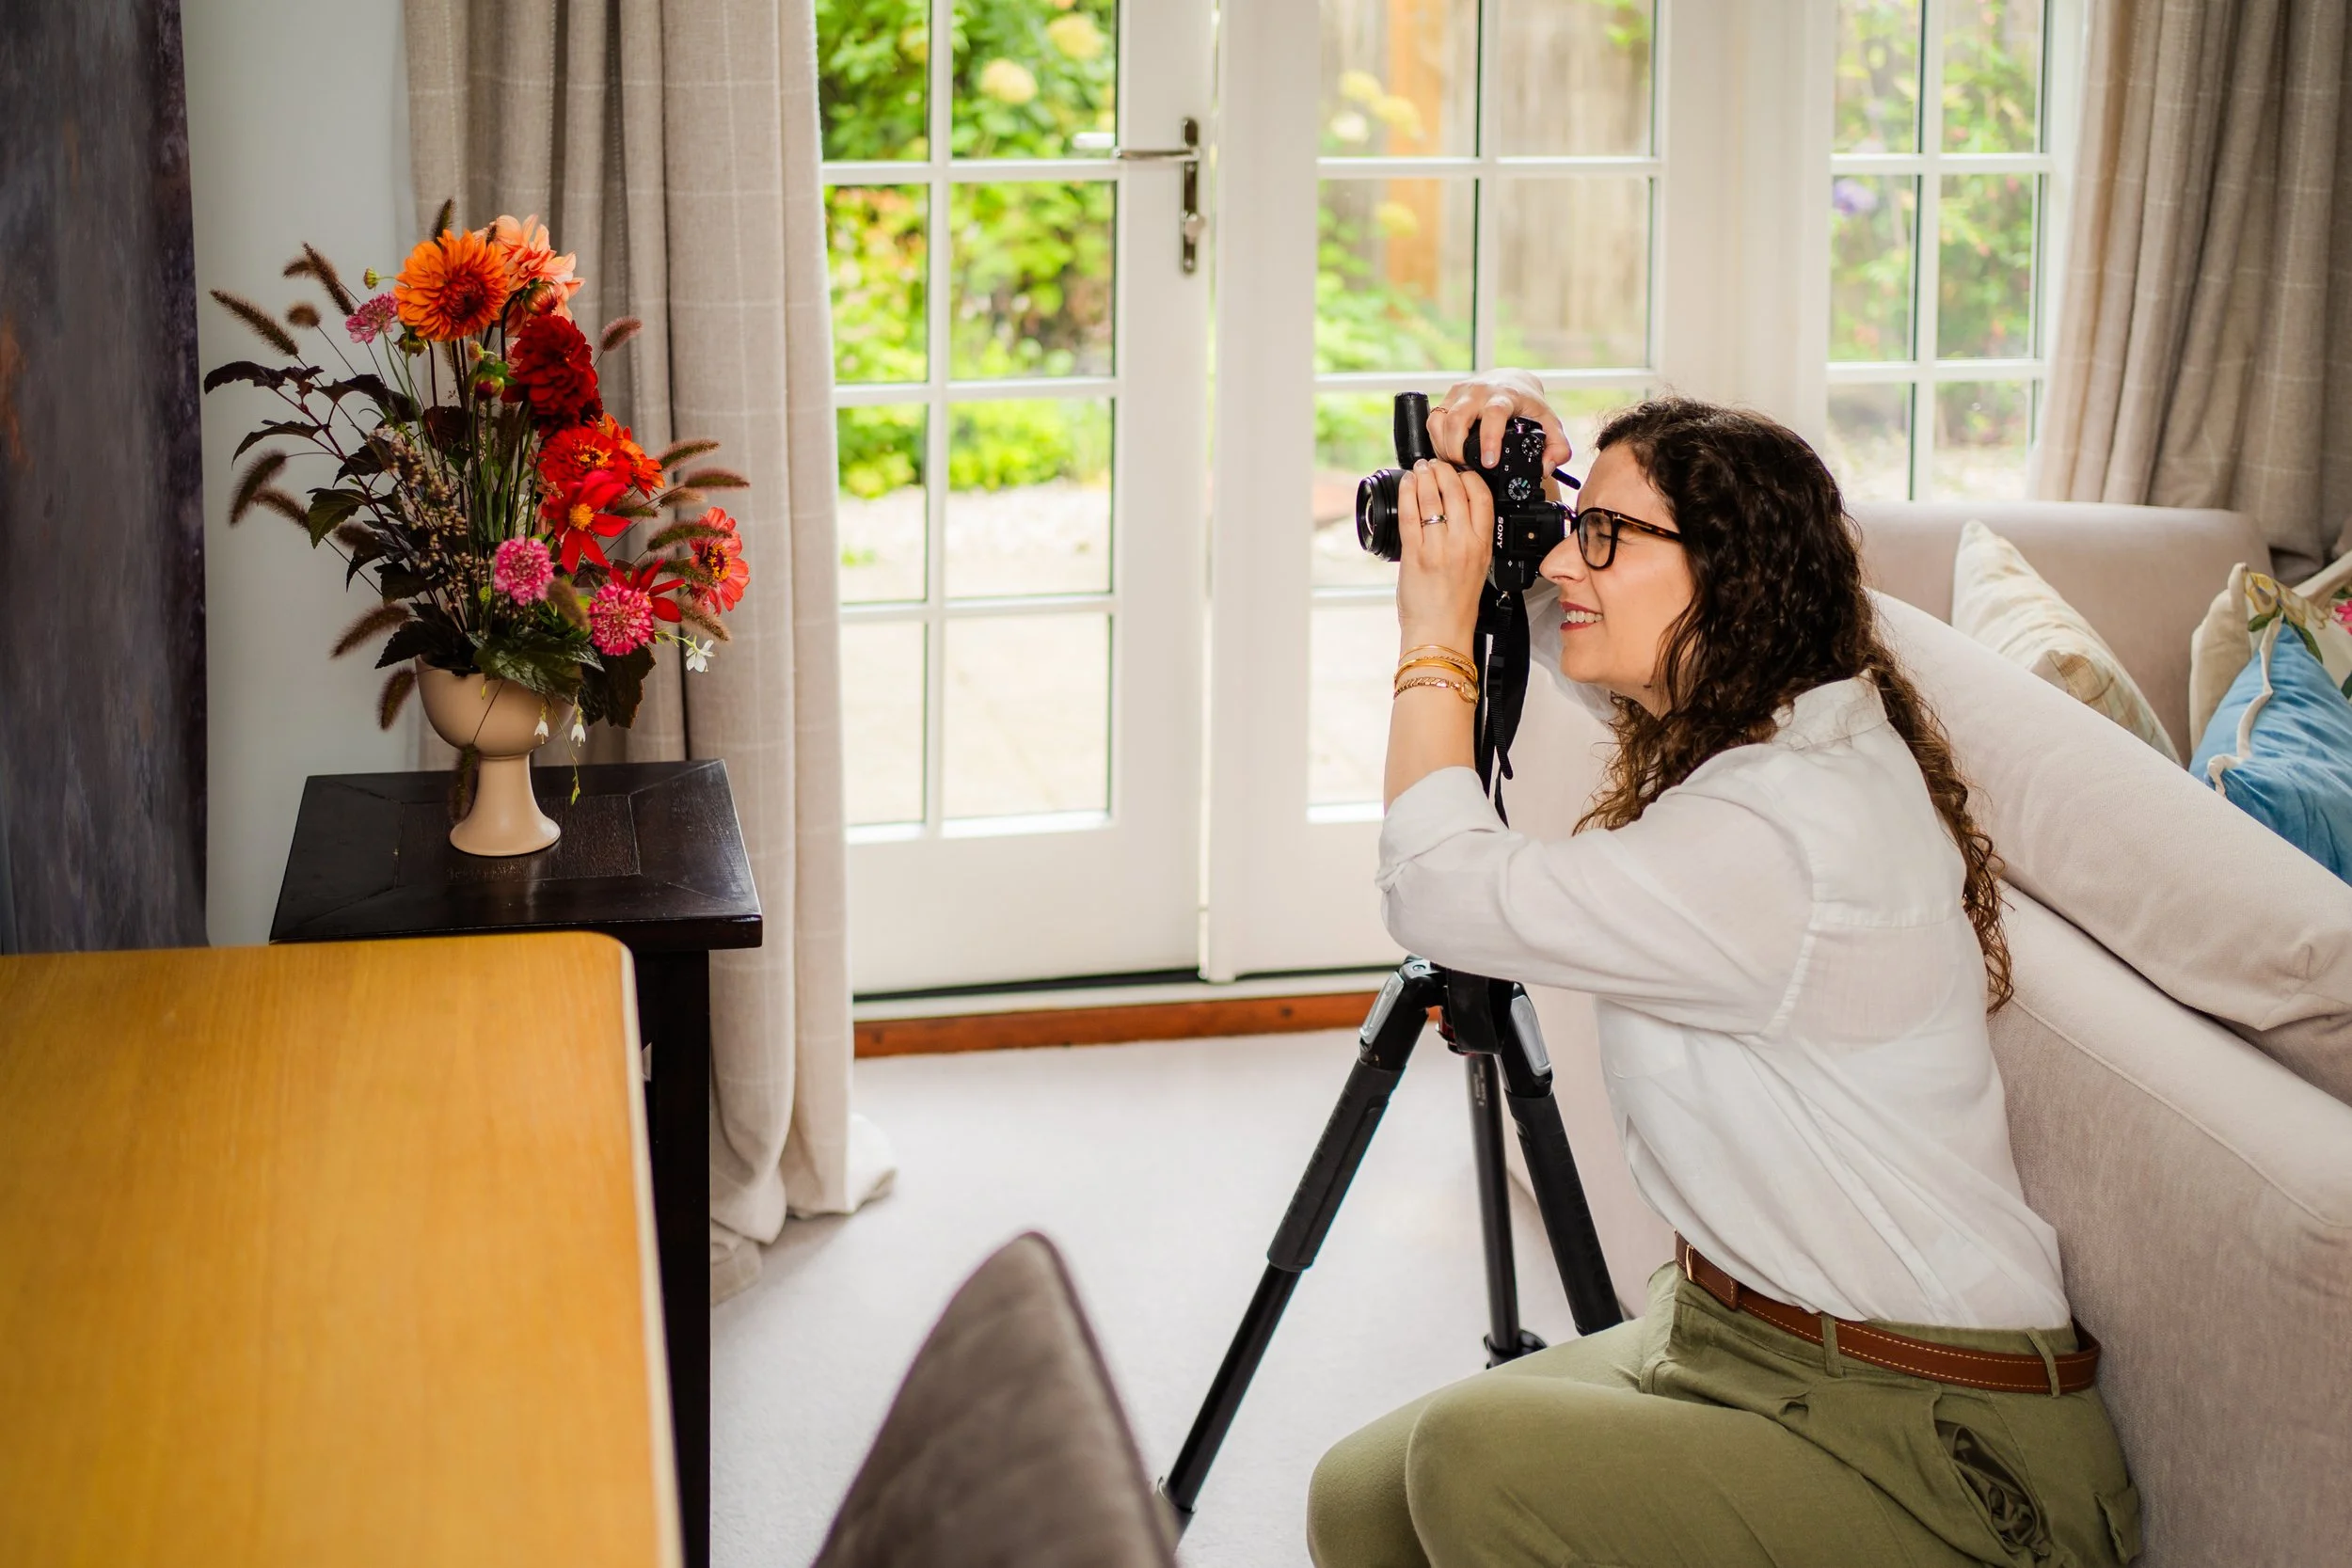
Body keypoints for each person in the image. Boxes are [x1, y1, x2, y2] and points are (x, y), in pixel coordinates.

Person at [1308, 375, 2142, 1568]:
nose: (1558, 566)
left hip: (1938, 1434)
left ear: (1731, 573)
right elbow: (1586, 633)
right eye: (1568, 529)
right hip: (1735, 1333)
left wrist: (1433, 633)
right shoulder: (1769, 718)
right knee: (1356, 1496)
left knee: (1469, 1462)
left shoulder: (1774, 836)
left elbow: (1437, 885)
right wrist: (1532, 476)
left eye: (1601, 535)